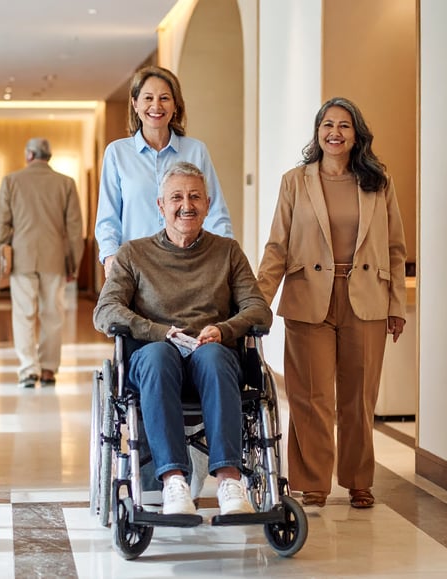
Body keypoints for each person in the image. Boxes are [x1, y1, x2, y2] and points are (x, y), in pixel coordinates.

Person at [93, 161, 272, 516]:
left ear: (207, 204)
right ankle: (173, 480)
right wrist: (159, 332)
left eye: (194, 197)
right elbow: (105, 311)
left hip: (211, 357)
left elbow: (258, 309)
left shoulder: (227, 252)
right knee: (159, 355)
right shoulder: (133, 254)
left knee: (217, 356)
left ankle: (228, 480)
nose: (185, 205)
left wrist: (224, 330)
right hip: (154, 356)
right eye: (176, 197)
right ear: (160, 206)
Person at [256, 97, 407, 509]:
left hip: (366, 300)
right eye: (327, 124)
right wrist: (258, 302)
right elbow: (277, 247)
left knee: (359, 398)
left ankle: (359, 480)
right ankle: (313, 483)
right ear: (317, 132)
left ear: (356, 135)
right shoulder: (295, 181)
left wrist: (397, 305)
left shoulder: (378, 182)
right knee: (310, 396)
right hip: (308, 300)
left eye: (343, 125)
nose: (334, 133)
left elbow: (395, 248)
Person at [95, 65, 234, 278]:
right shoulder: (117, 153)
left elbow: (214, 210)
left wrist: (226, 255)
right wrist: (110, 256)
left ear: (176, 105)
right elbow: (108, 217)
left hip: (190, 264)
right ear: (135, 104)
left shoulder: (196, 150)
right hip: (136, 266)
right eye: (148, 98)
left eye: (164, 98)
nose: (156, 106)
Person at [0, 138, 84, 388]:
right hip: (55, 259)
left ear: (29, 155)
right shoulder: (66, 183)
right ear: (49, 156)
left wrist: (3, 252)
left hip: (21, 258)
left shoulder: (11, 181)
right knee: (53, 315)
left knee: (23, 314)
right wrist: (73, 263)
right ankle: (48, 370)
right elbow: (75, 229)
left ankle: (27, 370)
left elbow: (1, 223)